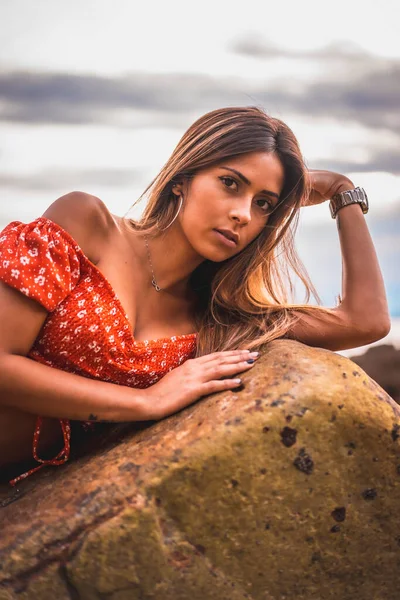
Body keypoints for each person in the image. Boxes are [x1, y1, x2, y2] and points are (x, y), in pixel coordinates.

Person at [0, 106, 390, 486]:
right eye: (230, 183)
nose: (243, 214)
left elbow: (365, 322)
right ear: (182, 178)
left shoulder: (221, 317)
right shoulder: (88, 224)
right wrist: (146, 401)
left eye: (264, 204)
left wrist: (343, 193)